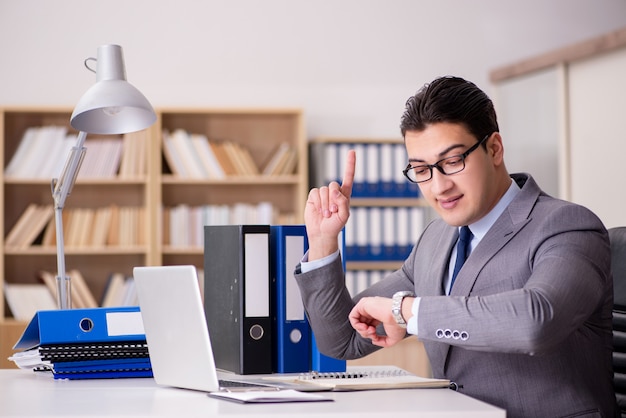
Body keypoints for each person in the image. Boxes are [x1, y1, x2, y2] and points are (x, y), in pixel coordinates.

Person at [295, 76, 617, 417]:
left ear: (494, 148)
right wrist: (323, 242)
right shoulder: (436, 240)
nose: (439, 186)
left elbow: (536, 320)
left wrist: (407, 312)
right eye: (421, 169)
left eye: (452, 161)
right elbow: (341, 340)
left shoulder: (567, 225)